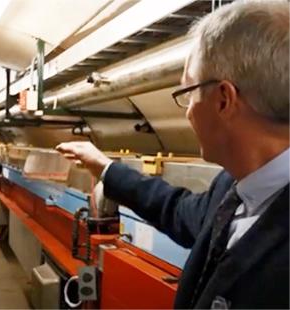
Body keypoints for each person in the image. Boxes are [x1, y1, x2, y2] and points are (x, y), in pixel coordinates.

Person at [56, 0, 289, 308]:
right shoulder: (234, 186)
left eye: (188, 93)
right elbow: (179, 211)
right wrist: (105, 168)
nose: (188, 111)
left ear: (223, 100)